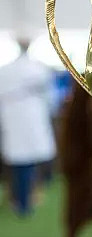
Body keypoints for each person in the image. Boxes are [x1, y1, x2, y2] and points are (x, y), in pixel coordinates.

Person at [0, 38, 56, 217]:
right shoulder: (39, 69)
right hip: (30, 120)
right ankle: (23, 201)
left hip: (14, 120)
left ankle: (22, 199)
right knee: (27, 162)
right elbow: (50, 99)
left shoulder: (6, 71)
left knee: (21, 162)